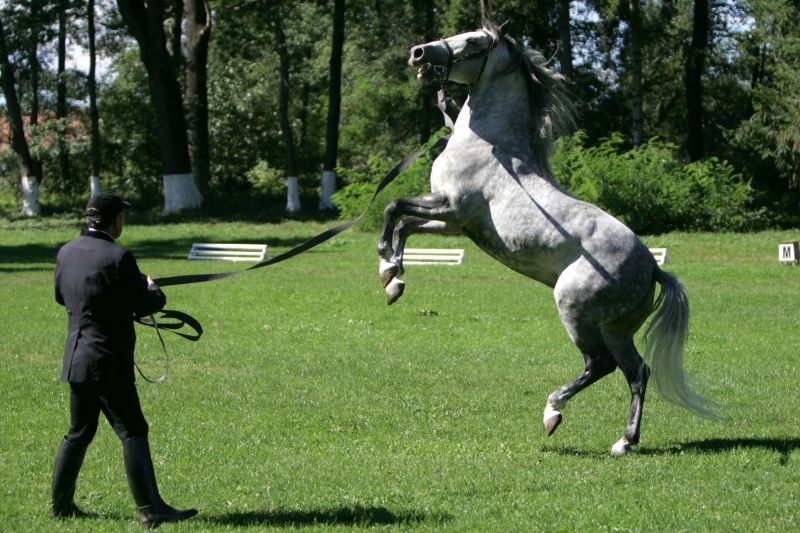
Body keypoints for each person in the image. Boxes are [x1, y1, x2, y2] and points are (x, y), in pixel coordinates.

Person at [51, 192, 197, 529]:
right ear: (115, 219)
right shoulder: (119, 256)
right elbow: (146, 303)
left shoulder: (67, 251)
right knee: (132, 429)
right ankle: (151, 509)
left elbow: (63, 296)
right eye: (122, 217)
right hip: (107, 360)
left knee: (79, 431)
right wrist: (153, 289)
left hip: (76, 358)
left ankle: (61, 506)